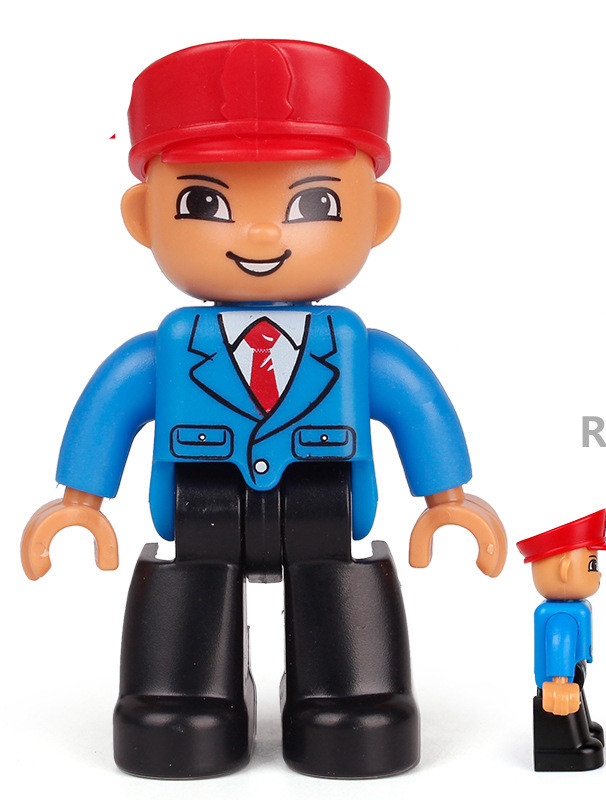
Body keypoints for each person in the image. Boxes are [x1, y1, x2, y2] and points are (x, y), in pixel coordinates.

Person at [20, 39, 507, 780]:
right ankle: (184, 695)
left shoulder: (358, 350)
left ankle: (348, 694)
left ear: (377, 216)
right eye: (204, 204)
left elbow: (415, 405)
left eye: (312, 204)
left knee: (339, 585)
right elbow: (111, 406)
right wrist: (79, 502)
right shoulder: (165, 353)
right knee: (190, 588)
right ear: (143, 217)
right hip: (202, 503)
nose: (260, 233)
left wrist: (448, 499)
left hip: (324, 500)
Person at [517, 508, 606, 770]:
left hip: (571, 672)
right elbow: (559, 643)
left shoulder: (575, 609)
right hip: (559, 679)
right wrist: (559, 682)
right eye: (592, 566)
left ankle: (584, 730)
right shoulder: (561, 616)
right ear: (565, 569)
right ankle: (571, 746)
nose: (599, 574)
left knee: (577, 697)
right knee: (565, 707)